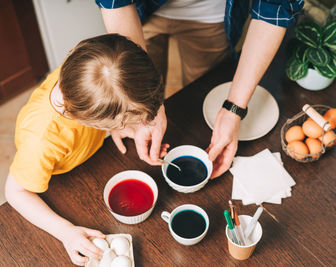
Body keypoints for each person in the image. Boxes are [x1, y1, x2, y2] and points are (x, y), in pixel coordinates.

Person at [5, 34, 168, 266]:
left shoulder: (84, 73)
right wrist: (65, 231)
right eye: (121, 122)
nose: (125, 126)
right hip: (60, 173)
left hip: (86, 148)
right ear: (89, 119)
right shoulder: (42, 141)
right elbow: (15, 193)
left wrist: (115, 128)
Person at [96, 0, 304, 178]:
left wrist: (233, 111)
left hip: (210, 17)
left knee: (197, 93)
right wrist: (146, 106)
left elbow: (275, 9)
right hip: (139, 12)